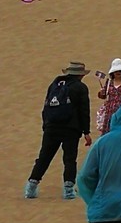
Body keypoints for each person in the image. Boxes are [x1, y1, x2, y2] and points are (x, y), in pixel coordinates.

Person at [24, 61, 93, 199]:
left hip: (51, 127)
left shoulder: (55, 84)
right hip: (71, 129)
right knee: (69, 159)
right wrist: (86, 131)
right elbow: (84, 111)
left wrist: (46, 125)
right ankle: (68, 190)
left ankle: (31, 187)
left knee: (44, 157)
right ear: (80, 75)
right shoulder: (80, 88)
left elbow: (46, 106)